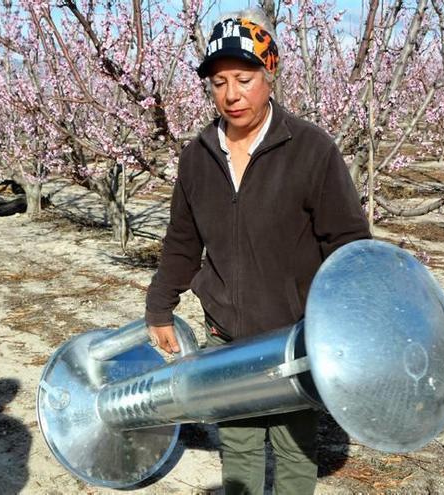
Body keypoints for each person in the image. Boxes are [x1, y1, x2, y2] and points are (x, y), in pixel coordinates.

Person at [144, 8, 370, 494]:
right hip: (226, 335)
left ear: (270, 76)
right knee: (240, 445)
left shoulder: (310, 149)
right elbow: (183, 240)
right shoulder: (198, 156)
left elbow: (349, 241)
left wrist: (343, 317)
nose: (231, 95)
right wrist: (159, 304)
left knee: (293, 449)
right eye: (219, 82)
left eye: (244, 79)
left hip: (293, 336)